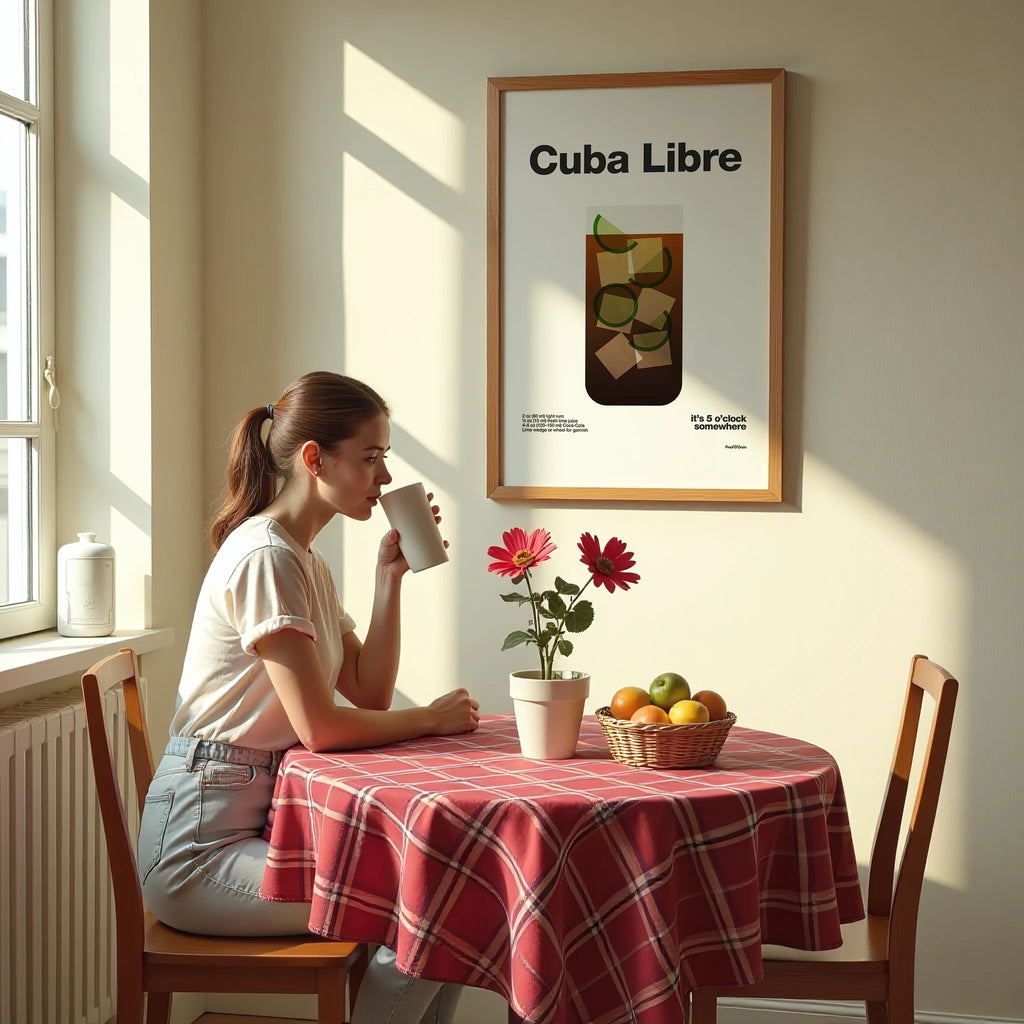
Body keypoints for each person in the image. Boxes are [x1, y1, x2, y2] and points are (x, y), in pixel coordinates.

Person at [138, 371, 479, 1024]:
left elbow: (368, 691)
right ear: (316, 459)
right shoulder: (267, 558)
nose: (383, 481)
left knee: (442, 894)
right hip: (195, 854)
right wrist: (430, 718)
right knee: (430, 902)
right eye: (372, 458)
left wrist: (389, 580)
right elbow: (321, 728)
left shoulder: (304, 562)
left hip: (251, 830)